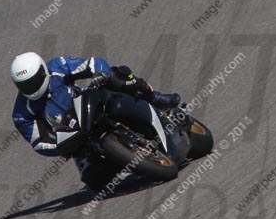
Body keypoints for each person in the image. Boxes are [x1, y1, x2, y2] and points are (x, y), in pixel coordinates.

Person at [11, 52, 180, 190]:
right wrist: (60, 146)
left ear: (43, 70)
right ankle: (128, 160)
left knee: (116, 75)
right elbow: (39, 142)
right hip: (75, 135)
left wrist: (100, 73)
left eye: (33, 81)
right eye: (24, 85)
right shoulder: (21, 113)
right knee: (94, 180)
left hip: (89, 104)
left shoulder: (57, 66)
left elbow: (92, 63)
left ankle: (155, 97)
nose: (30, 88)